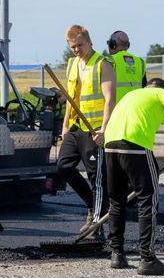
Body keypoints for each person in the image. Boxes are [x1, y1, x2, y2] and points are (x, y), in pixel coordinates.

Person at [104, 78, 164, 275]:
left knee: (116, 202)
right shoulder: (160, 93)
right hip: (135, 145)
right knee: (148, 199)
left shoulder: (132, 94)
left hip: (110, 145)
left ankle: (117, 255)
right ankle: (148, 259)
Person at [57, 24, 116, 238]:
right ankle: (93, 205)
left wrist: (104, 129)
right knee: (63, 167)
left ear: (90, 41)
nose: (76, 50)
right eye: (72, 46)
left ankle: (97, 224)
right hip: (75, 126)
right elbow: (71, 98)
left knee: (96, 177)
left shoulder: (103, 64)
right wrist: (65, 125)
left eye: (80, 45)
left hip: (95, 129)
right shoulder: (72, 64)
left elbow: (110, 100)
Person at [107, 30, 147, 103]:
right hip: (136, 106)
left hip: (117, 108)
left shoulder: (109, 61)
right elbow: (144, 85)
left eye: (108, 43)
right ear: (128, 45)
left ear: (113, 45)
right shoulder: (140, 62)